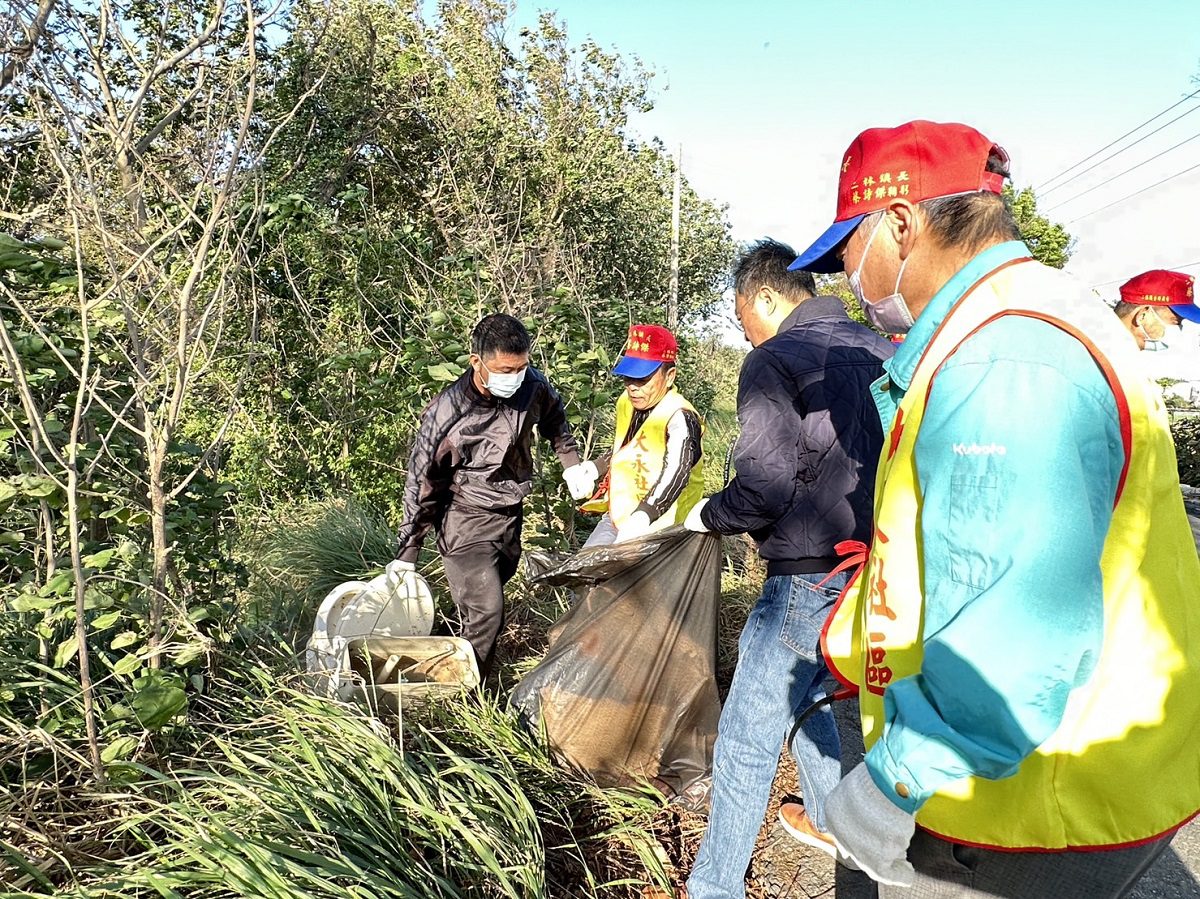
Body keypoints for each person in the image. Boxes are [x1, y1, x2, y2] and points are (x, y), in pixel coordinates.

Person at [788, 120, 1200, 897]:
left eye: (849, 247)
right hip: (1062, 762)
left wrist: (888, 790)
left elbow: (1012, 628)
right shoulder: (1030, 316)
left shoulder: (1007, 360)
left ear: (902, 224)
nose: (846, 276)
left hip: (1036, 795)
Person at [676, 239, 893, 899]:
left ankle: (714, 887)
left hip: (806, 576)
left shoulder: (775, 360)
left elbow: (763, 488)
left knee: (747, 736)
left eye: (742, 316)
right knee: (810, 692)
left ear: (765, 296)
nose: (744, 332)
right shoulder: (883, 351)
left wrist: (706, 515)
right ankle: (835, 821)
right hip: (876, 573)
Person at [388, 314, 594, 679]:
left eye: (521, 367)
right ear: (476, 363)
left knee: (487, 595)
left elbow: (554, 419)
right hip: (463, 518)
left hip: (510, 510)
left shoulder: (531, 385)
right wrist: (408, 552)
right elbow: (421, 482)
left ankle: (448, 649)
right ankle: (469, 695)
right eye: (504, 369)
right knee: (488, 611)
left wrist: (571, 464)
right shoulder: (447, 414)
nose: (513, 377)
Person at [574, 324, 704, 546]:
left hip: (665, 526)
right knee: (588, 571)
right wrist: (594, 468)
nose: (633, 388)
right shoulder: (627, 403)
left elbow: (676, 472)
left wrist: (644, 515)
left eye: (642, 380)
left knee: (633, 580)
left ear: (670, 376)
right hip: (621, 513)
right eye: (628, 378)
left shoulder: (680, 416)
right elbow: (627, 448)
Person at [1113, 268, 1200, 350]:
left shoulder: (1122, 353)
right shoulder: (1103, 356)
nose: (1179, 329)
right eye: (1175, 321)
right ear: (1142, 316)